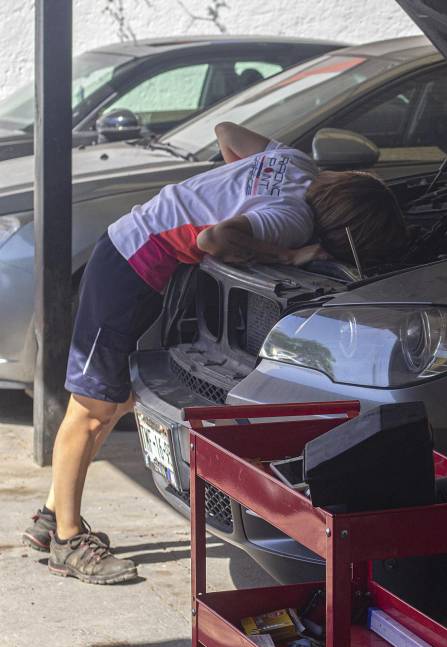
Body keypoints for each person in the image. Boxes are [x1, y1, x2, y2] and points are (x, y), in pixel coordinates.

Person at [22, 122, 406, 584]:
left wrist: (238, 192)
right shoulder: (292, 218)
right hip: (125, 268)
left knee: (115, 401)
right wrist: (287, 256)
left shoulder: (295, 162)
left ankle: (51, 517)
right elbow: (213, 241)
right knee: (89, 409)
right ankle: (66, 542)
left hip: (133, 258)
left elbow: (227, 132)